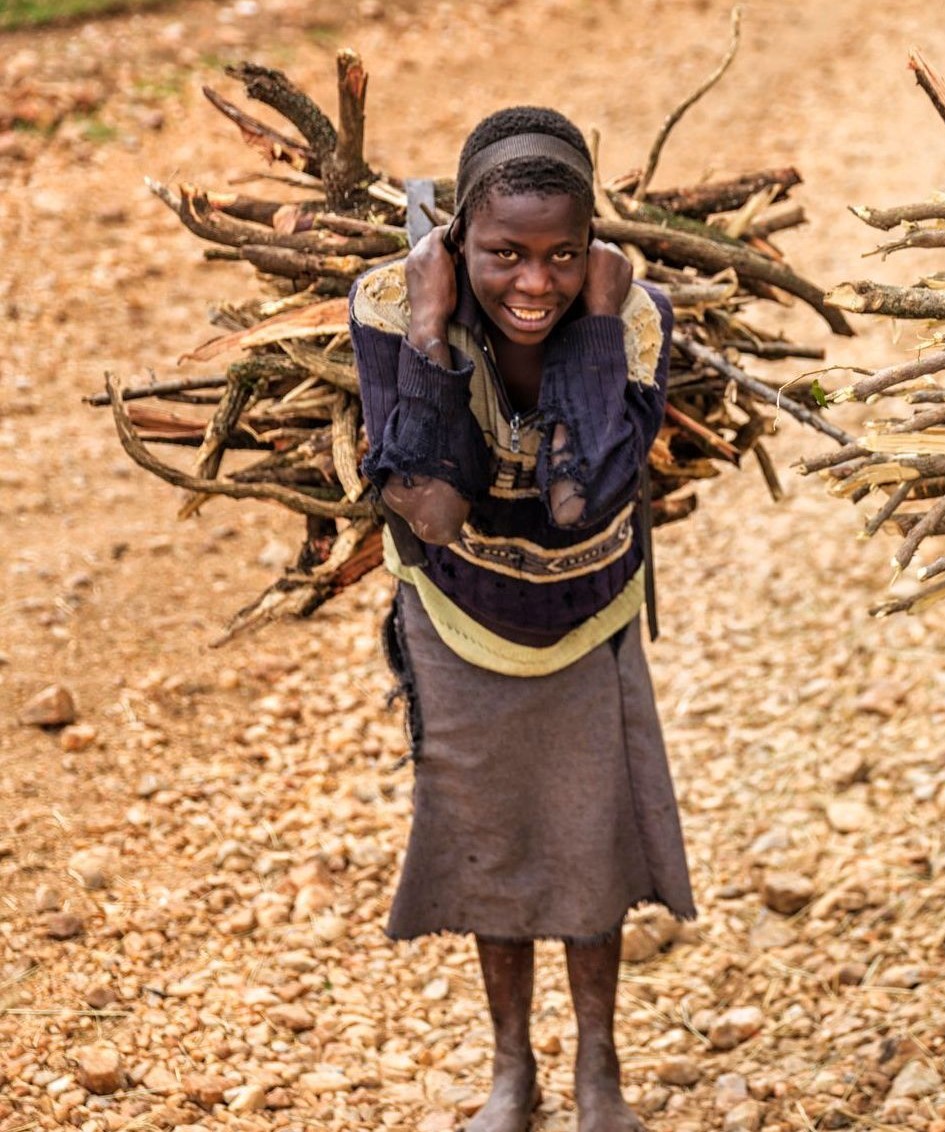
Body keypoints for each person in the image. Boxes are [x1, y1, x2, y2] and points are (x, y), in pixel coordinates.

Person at [351, 106, 694, 1132]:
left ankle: (599, 1069)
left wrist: (592, 328)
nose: (534, 283)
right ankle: (512, 1068)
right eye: (504, 253)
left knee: (590, 840)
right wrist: (426, 327)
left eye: (562, 255)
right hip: (458, 613)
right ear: (457, 243)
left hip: (587, 606)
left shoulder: (635, 320)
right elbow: (434, 507)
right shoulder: (383, 306)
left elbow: (575, 496)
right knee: (487, 839)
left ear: (594, 251)